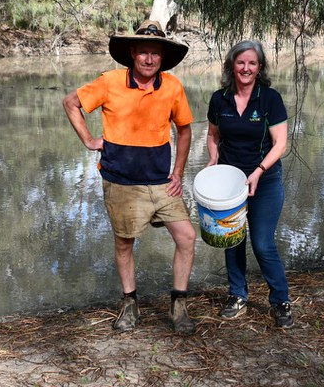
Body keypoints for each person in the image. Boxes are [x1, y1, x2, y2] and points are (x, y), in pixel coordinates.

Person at [63, 20, 197, 334]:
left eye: (156, 53)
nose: (149, 60)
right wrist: (88, 140)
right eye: (144, 53)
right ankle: (129, 303)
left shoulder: (173, 86)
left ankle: (179, 305)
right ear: (133, 53)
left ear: (162, 57)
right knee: (125, 244)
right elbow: (71, 103)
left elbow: (185, 129)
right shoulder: (109, 82)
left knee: (187, 237)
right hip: (120, 181)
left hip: (161, 181)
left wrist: (178, 172)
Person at [205, 40, 293, 328]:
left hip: (265, 180)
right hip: (230, 183)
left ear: (260, 68)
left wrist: (258, 171)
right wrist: (212, 160)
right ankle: (237, 295)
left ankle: (280, 300)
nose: (246, 68)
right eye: (241, 62)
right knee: (232, 239)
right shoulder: (219, 99)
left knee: (263, 243)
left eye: (252, 63)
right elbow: (213, 135)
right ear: (232, 65)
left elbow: (280, 143)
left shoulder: (270, 99)